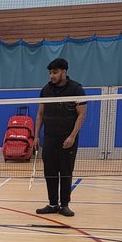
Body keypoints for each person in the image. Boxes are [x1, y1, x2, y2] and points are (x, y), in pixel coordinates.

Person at [34, 59, 87, 217]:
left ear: (64, 72)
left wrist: (72, 136)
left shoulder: (76, 89)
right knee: (49, 172)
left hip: (67, 140)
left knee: (65, 172)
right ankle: (52, 204)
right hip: (50, 138)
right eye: (50, 73)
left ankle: (64, 205)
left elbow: (82, 114)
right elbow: (40, 114)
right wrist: (36, 135)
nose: (52, 76)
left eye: (55, 72)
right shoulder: (46, 90)